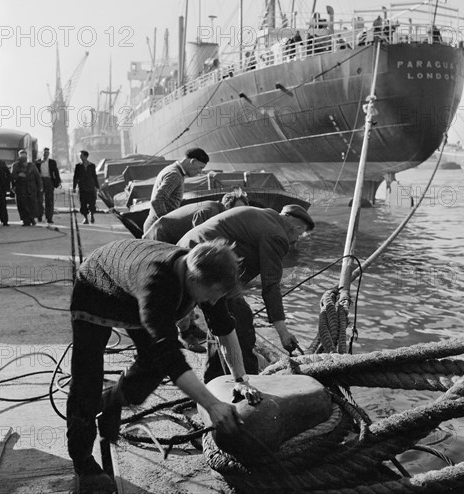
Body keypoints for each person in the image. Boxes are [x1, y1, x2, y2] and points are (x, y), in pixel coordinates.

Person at [67, 238, 262, 493]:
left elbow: (223, 326)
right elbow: (169, 355)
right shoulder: (156, 284)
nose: (213, 303)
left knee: (153, 365)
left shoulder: (205, 272)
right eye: (211, 296)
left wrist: (240, 379)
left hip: (132, 289)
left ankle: (112, 399)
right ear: (192, 280)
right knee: (87, 379)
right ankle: (83, 462)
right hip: (96, 288)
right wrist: (212, 404)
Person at [178, 204, 315, 382]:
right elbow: (271, 284)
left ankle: (215, 380)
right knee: (240, 322)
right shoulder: (277, 235)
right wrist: (283, 332)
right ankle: (251, 384)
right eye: (301, 233)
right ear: (297, 228)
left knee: (220, 321)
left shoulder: (266, 215)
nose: (298, 238)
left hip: (188, 254)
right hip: (205, 265)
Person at [142, 188, 250, 352]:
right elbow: (197, 244)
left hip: (177, 243)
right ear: (226, 206)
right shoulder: (208, 211)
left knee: (199, 288)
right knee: (187, 287)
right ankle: (185, 335)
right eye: (235, 210)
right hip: (162, 239)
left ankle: (191, 327)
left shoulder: (224, 218)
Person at [142, 148, 209, 234]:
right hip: (157, 230)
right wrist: (166, 224)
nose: (200, 172)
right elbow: (157, 201)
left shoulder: (171, 168)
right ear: (193, 161)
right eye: (200, 167)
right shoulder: (175, 175)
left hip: (154, 226)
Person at [11, 149, 42, 226]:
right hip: (20, 189)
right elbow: (12, 176)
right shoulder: (15, 165)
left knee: (32, 204)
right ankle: (25, 220)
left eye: (24, 155)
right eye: (22, 155)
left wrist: (40, 186)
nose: (23, 157)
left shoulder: (31, 165)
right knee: (22, 205)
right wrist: (18, 176)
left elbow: (37, 176)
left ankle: (31, 218)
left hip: (31, 188)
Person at [35, 147, 61, 224]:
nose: (45, 154)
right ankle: (39, 216)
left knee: (49, 200)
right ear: (41, 153)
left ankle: (49, 217)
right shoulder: (37, 162)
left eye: (47, 153)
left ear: (48, 154)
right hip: (40, 181)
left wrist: (58, 182)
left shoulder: (52, 162)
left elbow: (56, 172)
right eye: (44, 153)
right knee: (39, 200)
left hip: (49, 181)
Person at [73, 150, 99, 224]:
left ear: (85, 156)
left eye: (81, 155)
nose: (80, 157)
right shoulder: (78, 166)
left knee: (92, 203)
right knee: (83, 203)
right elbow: (75, 177)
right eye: (80, 155)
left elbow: (94, 176)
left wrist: (97, 187)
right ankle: (85, 218)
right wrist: (74, 187)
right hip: (82, 188)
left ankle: (91, 215)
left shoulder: (92, 165)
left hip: (91, 187)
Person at [0, 150, 11, 226]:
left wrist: (7, 185)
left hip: (0, 186)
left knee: (2, 204)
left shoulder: (1, 163)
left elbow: (8, 174)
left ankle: (4, 221)